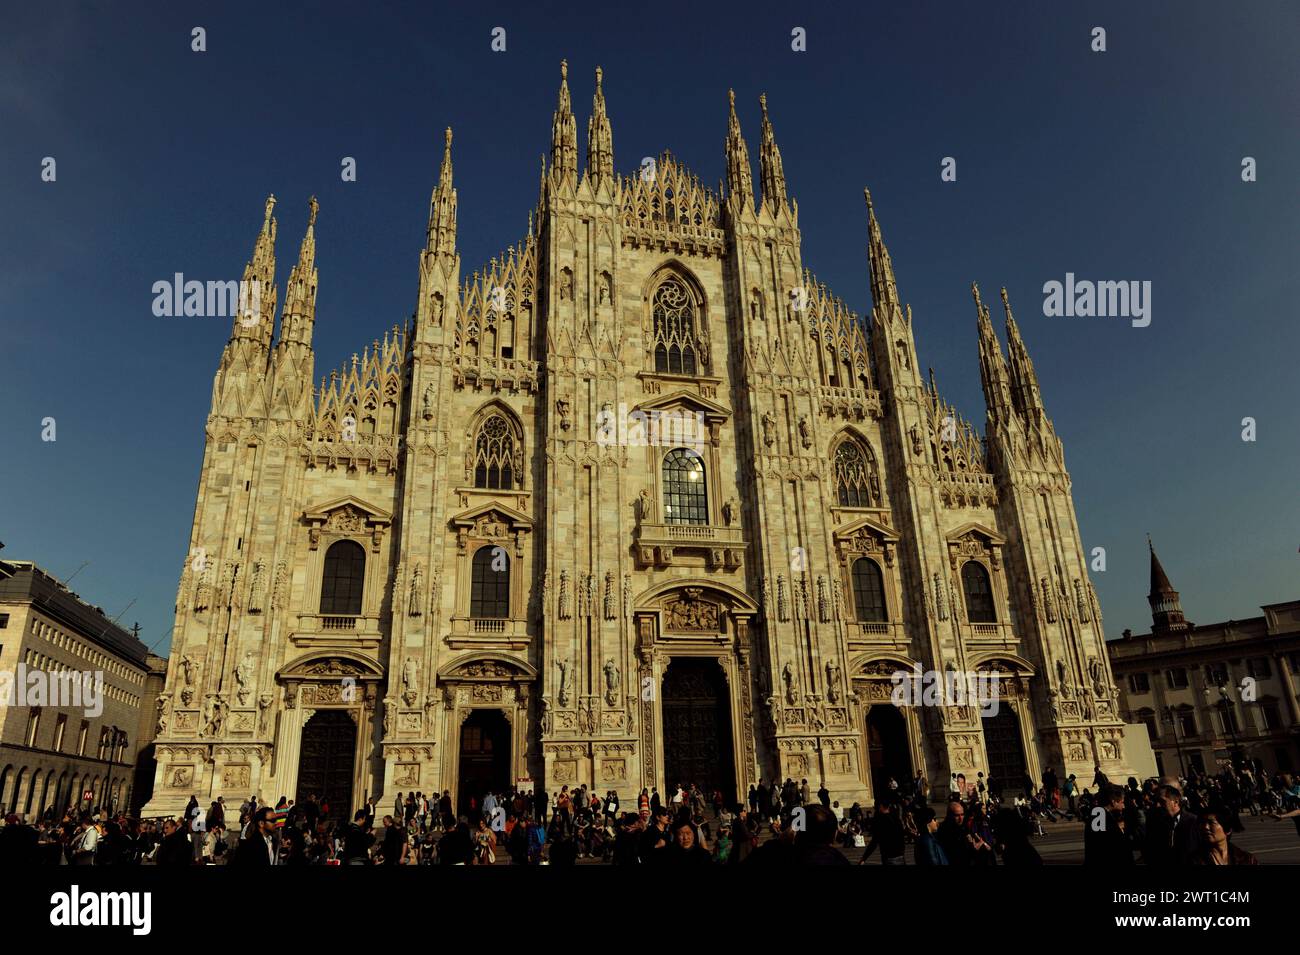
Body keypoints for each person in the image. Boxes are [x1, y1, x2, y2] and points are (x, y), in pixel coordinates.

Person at [1144, 785, 1198, 866]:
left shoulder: (1193, 822)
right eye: (1156, 801)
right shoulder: (1156, 824)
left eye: (1162, 801)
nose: (1157, 805)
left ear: (1176, 802)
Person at [1193, 810, 1258, 865]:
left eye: (1211, 823)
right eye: (1203, 823)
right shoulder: (1195, 860)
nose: (1205, 827)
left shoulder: (1247, 859)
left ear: (1228, 830)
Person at [859, 800, 906, 865]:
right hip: (900, 855)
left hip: (888, 856)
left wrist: (864, 858)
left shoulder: (880, 821)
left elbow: (874, 842)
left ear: (881, 806)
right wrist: (902, 851)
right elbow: (902, 836)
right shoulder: (896, 819)